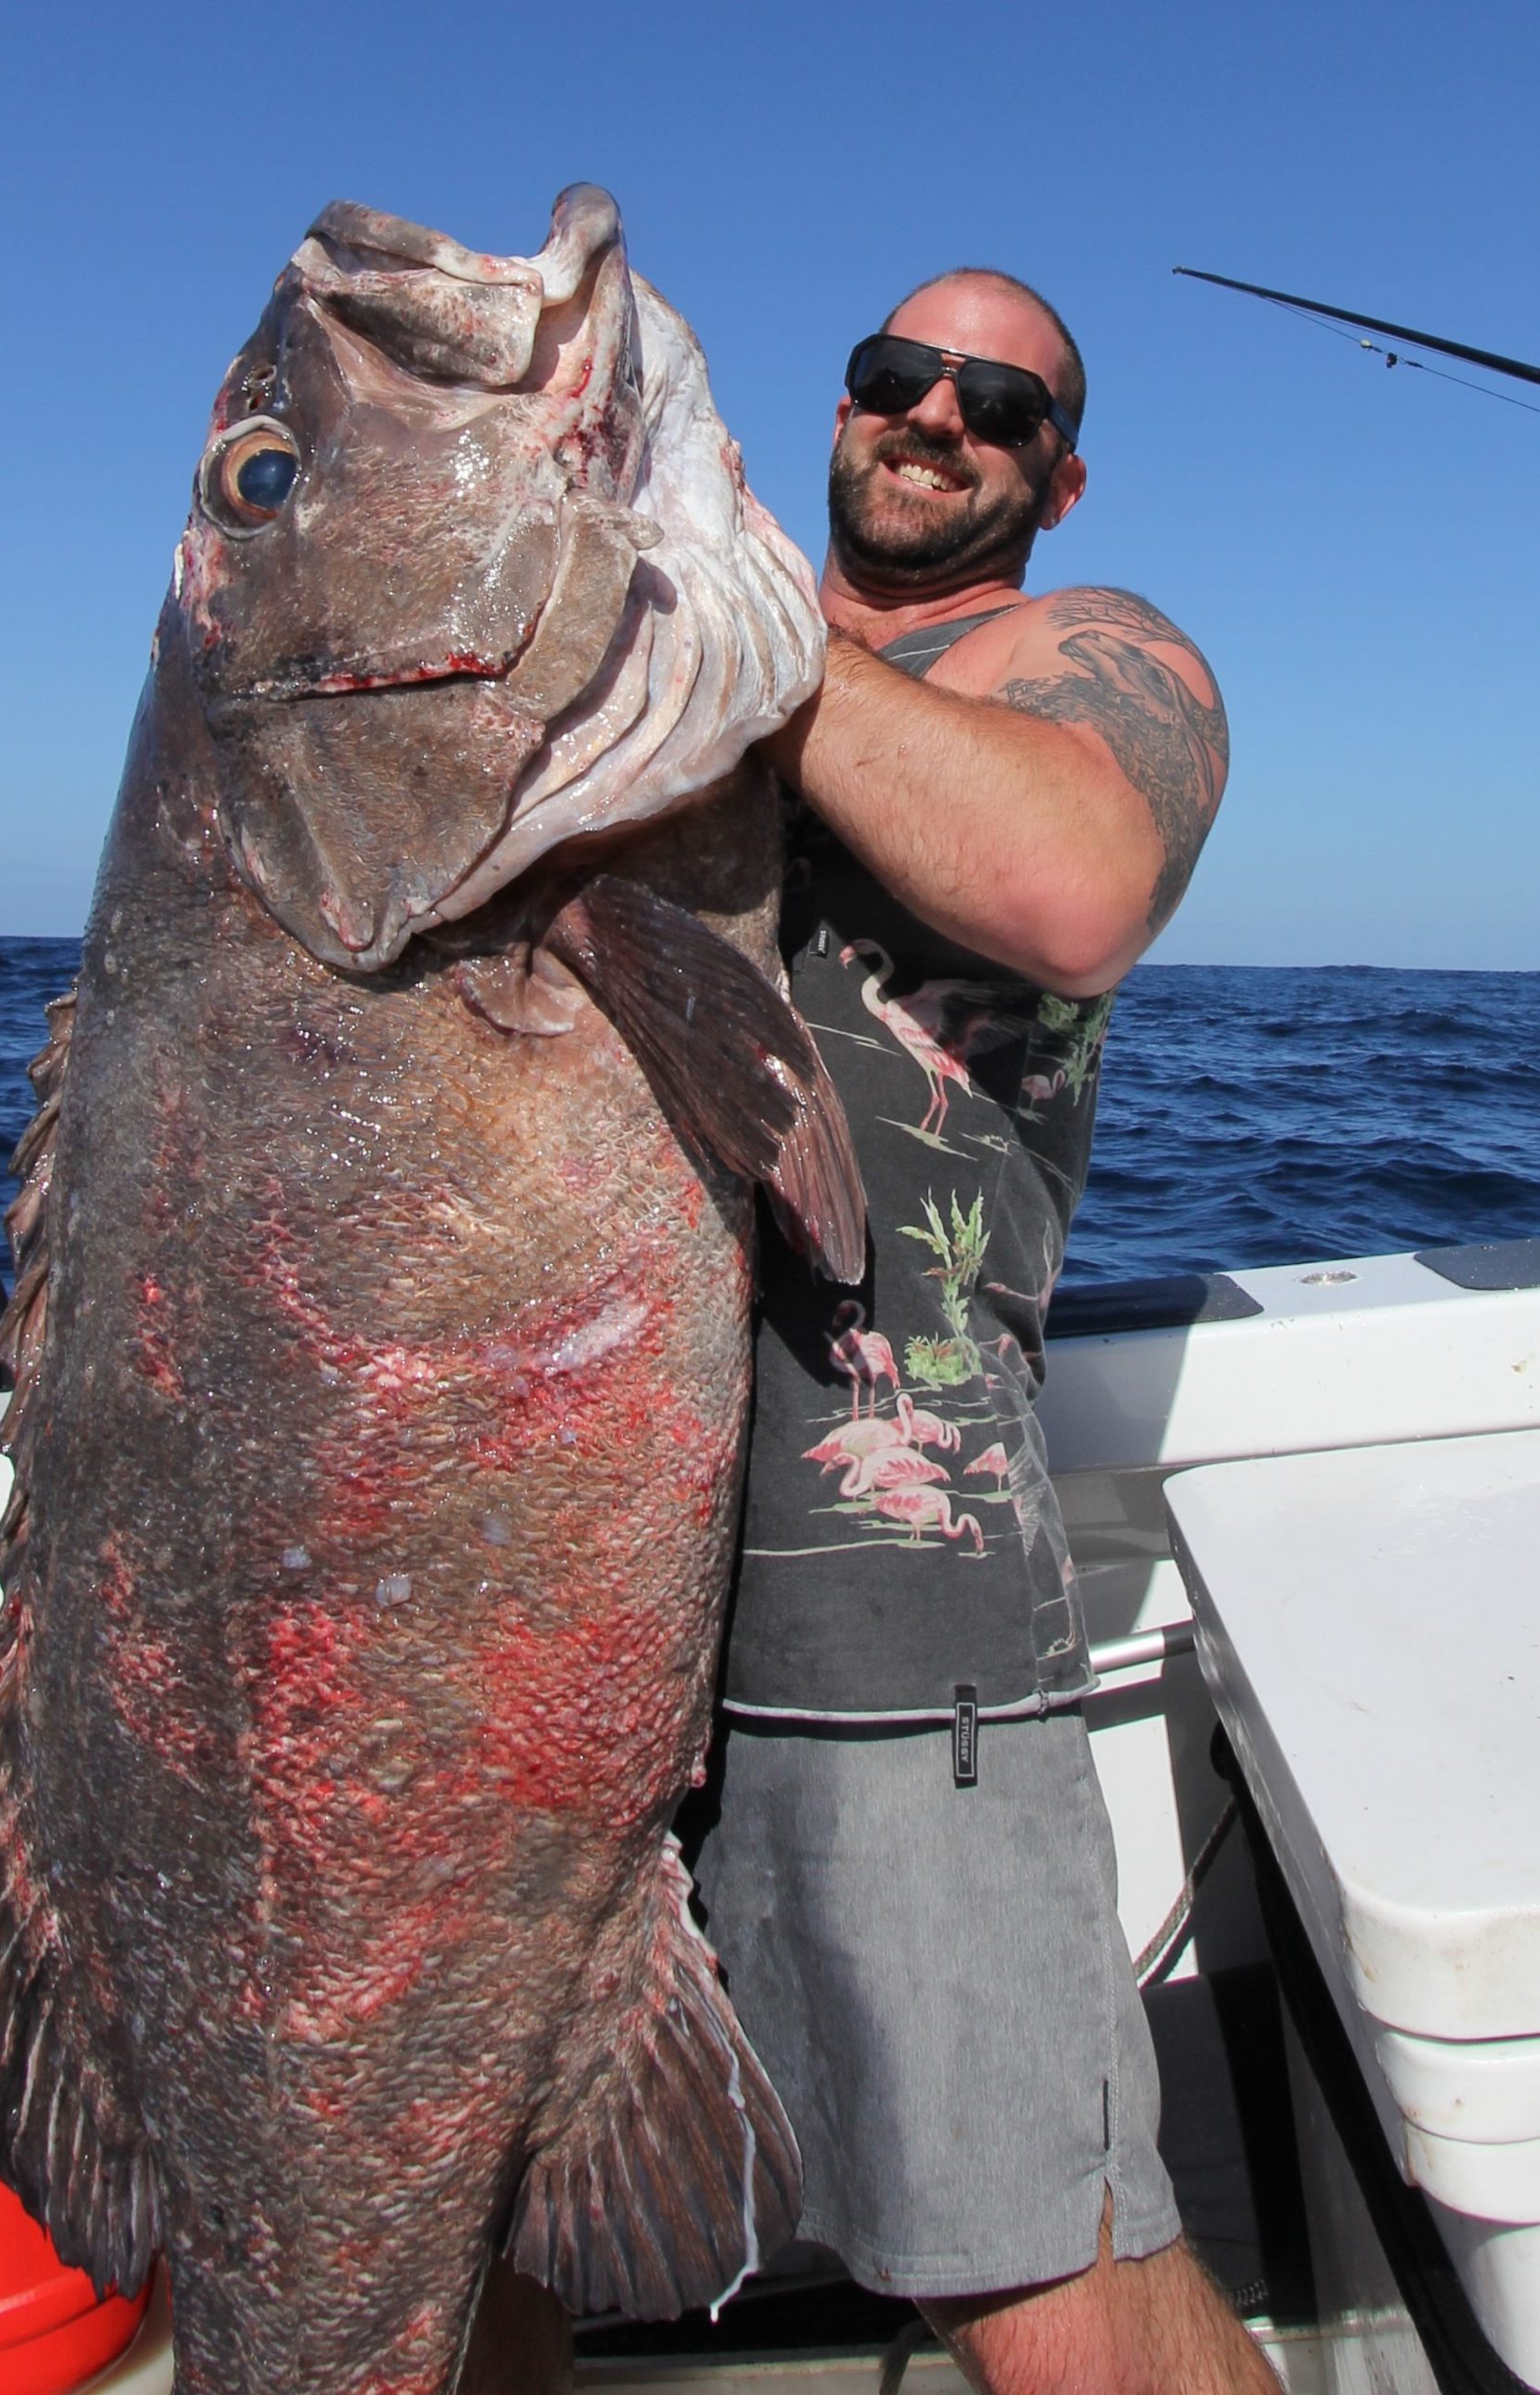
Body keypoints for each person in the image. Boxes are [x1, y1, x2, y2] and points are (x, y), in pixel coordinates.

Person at [690, 270, 1276, 2395]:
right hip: (549, 1578)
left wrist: (733, 607)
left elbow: (1071, 882)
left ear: (1056, 465)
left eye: (995, 396)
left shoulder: (1089, 658)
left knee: (1046, 2268)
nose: (934, 413)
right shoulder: (671, 656)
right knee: (468, 2222)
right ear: (835, 407)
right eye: (892, 374)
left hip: (884, 1578)